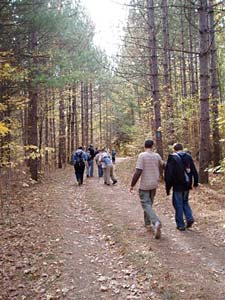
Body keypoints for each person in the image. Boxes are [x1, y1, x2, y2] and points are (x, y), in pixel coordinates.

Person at [130, 140, 164, 239]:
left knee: (146, 204)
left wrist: (132, 184)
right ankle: (147, 223)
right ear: (152, 146)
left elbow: (138, 171)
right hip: (154, 184)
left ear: (144, 146)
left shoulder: (142, 156)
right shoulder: (157, 156)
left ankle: (156, 222)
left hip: (145, 185)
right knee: (149, 204)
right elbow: (163, 165)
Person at [165, 143, 198, 231]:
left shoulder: (172, 158)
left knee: (178, 204)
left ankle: (180, 225)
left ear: (174, 149)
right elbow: (194, 170)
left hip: (177, 185)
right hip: (187, 185)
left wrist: (168, 188)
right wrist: (195, 183)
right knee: (185, 201)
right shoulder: (188, 156)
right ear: (182, 148)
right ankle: (189, 217)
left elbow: (169, 174)